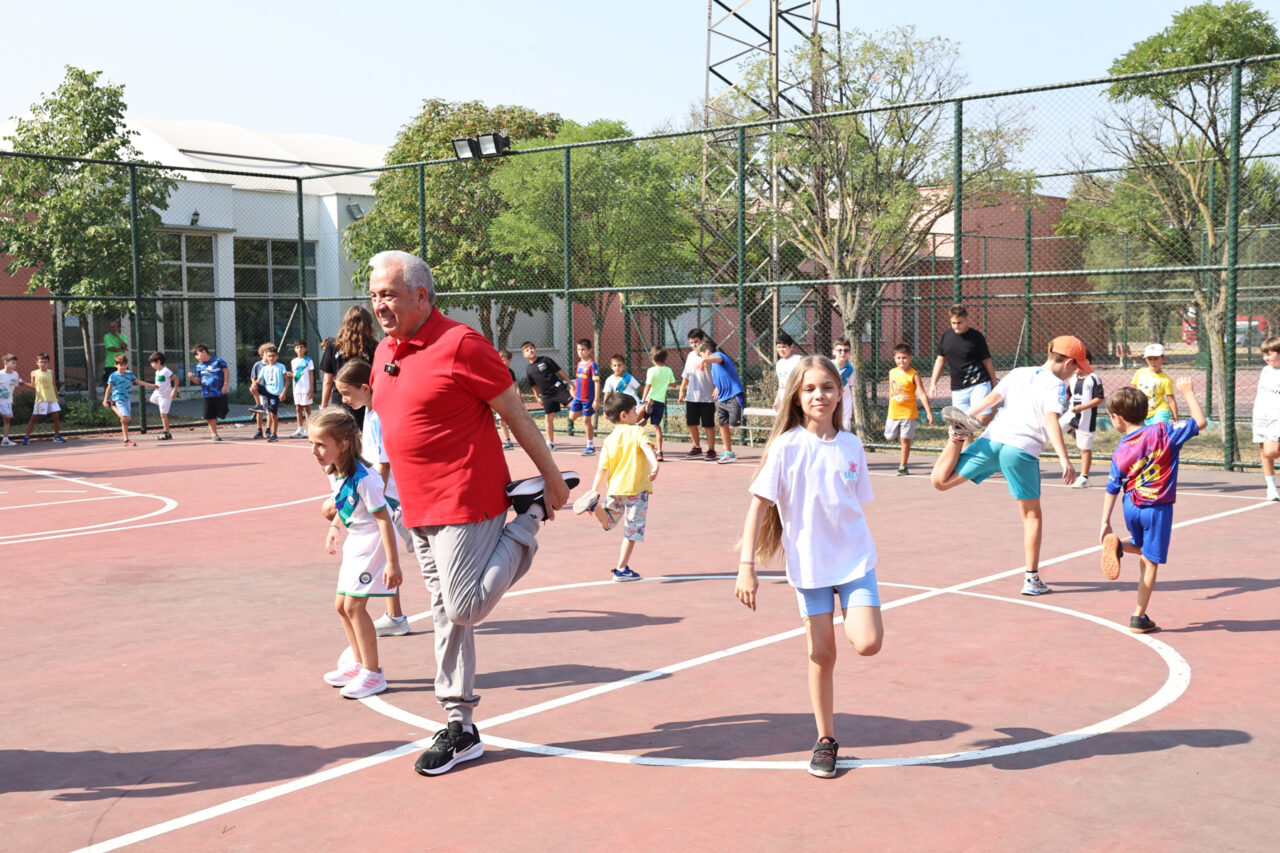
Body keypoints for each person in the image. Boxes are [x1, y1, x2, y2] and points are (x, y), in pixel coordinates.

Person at [366, 250, 575, 776]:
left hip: (466, 495)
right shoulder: (385, 350)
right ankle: (460, 726)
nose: (379, 305)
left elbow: (516, 413)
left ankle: (527, 516)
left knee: (463, 607)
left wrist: (550, 478)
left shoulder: (462, 344)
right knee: (444, 612)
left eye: (388, 294)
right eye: (373, 296)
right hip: (415, 504)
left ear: (421, 295)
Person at [735, 355, 883, 779]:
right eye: (811, 389)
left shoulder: (852, 445)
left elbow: (852, 504)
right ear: (797, 398)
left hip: (855, 561)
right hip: (811, 568)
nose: (820, 395)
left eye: (828, 387)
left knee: (867, 643)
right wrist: (747, 566)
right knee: (822, 654)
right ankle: (826, 739)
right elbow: (758, 507)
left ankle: (852, 613)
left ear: (841, 393)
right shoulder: (786, 447)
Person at [933, 337, 1085, 596]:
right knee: (1032, 516)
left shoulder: (1019, 372)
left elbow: (991, 399)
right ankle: (1032, 579)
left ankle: (957, 436)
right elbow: (1050, 420)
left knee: (941, 482)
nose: (1074, 373)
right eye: (1076, 368)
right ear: (1069, 362)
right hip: (1020, 450)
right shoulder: (1057, 385)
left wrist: (967, 416)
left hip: (992, 440)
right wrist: (1064, 458)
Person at [310, 407, 403, 699]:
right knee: (341, 605)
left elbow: (384, 519)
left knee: (354, 607)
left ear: (344, 444)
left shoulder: (365, 478)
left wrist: (392, 563)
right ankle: (358, 663)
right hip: (357, 540)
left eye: (321, 444)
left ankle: (373, 674)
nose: (314, 450)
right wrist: (335, 526)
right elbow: (344, 503)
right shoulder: (336, 471)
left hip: (373, 543)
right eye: (312, 443)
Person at [1099, 380, 1207, 633]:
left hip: (1131, 505)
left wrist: (1105, 521)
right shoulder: (1164, 431)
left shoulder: (1120, 450)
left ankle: (1119, 546)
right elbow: (1200, 422)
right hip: (1157, 507)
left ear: (1118, 418)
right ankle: (1139, 617)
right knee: (1150, 562)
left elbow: (1112, 487)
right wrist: (1188, 393)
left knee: (1140, 546)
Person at [335, 358, 415, 638]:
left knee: (387, 553)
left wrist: (374, 497)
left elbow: (384, 463)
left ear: (365, 388)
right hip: (384, 496)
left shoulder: (379, 416)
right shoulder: (370, 412)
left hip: (388, 497)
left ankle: (396, 615)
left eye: (347, 393)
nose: (344, 400)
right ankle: (395, 616)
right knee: (384, 555)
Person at [573, 392, 658, 582]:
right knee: (632, 531)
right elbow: (647, 449)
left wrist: (594, 493)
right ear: (624, 415)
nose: (637, 414)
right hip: (637, 488)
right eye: (634, 411)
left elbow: (602, 469)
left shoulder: (609, 440)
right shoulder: (637, 431)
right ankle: (621, 569)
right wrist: (655, 465)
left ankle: (595, 506)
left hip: (616, 488)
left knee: (608, 522)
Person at [928, 305, 998, 446]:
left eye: (959, 322)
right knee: (962, 430)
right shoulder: (946, 336)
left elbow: (987, 361)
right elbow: (940, 359)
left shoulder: (976, 337)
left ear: (966, 320)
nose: (956, 326)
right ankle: (968, 454)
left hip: (979, 382)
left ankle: (972, 429)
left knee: (983, 417)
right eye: (953, 323)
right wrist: (933, 383)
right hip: (958, 387)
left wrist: (994, 383)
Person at [320, 306, 379, 428]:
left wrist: (324, 406)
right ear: (368, 324)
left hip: (341, 398)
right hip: (363, 397)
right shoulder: (373, 345)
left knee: (341, 434)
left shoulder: (333, 344)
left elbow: (327, 380)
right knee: (364, 434)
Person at [885, 342, 935, 476]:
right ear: (894, 358)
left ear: (910, 358)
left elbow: (922, 394)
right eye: (898, 358)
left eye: (904, 358)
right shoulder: (892, 372)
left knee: (905, 440)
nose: (901, 361)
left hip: (908, 414)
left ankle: (903, 466)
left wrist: (929, 413)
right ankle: (897, 435)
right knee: (889, 436)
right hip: (893, 413)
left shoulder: (914, 375)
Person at [698, 340, 746, 464]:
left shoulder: (719, 355)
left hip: (734, 395)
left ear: (707, 352)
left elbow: (718, 359)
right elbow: (721, 377)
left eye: (702, 355)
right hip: (722, 399)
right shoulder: (713, 367)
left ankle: (741, 414)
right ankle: (729, 453)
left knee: (735, 423)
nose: (702, 358)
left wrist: (705, 360)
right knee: (723, 424)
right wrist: (717, 388)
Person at [1060, 357, 1104, 489]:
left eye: (1076, 362)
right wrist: (1061, 400)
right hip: (1071, 414)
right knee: (1053, 430)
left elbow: (1099, 398)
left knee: (1084, 449)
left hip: (1086, 418)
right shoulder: (1073, 378)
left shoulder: (1093, 378)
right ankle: (1071, 429)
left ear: (1087, 362)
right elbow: (1068, 394)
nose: (1073, 366)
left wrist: (1083, 407)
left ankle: (1084, 478)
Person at [522, 341, 572, 451]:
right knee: (548, 417)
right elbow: (533, 385)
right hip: (546, 395)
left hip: (558, 389)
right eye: (527, 350)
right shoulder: (529, 369)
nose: (530, 350)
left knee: (574, 406)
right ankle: (551, 443)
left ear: (535, 349)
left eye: (531, 348)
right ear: (524, 355)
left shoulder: (545, 360)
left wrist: (570, 383)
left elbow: (559, 371)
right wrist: (537, 397)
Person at [678, 327, 718, 459]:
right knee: (691, 423)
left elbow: (718, 373)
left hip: (707, 397)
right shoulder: (690, 356)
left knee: (708, 424)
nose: (694, 345)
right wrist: (681, 390)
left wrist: (717, 387)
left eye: (696, 342)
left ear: (702, 340)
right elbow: (686, 375)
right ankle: (696, 447)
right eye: (691, 343)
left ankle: (711, 450)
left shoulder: (710, 355)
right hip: (692, 397)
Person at [102, 354, 155, 446]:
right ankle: (112, 405)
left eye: (124, 365)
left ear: (126, 365)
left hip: (127, 399)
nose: (122, 367)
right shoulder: (113, 375)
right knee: (126, 418)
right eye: (120, 365)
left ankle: (126, 440)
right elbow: (109, 388)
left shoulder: (129, 374)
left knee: (124, 421)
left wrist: (151, 385)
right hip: (118, 399)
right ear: (116, 365)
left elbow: (138, 381)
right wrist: (105, 400)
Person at [1253, 335, 1280, 502]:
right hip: (1261, 415)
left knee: (1272, 451)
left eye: (1270, 354)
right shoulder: (1265, 371)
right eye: (1264, 354)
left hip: (1277, 417)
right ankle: (1271, 488)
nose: (1266, 357)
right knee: (1264, 451)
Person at [640, 347, 676, 462]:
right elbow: (674, 384)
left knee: (640, 423)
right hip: (660, 402)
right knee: (657, 427)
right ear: (665, 358)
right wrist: (668, 383)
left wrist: (643, 400)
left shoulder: (651, 370)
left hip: (650, 401)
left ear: (652, 358)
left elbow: (647, 386)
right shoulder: (668, 370)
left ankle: (638, 446)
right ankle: (659, 452)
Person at [21, 353, 66, 445]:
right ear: (37, 362)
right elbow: (33, 386)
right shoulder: (34, 373)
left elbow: (54, 385)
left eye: (45, 362)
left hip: (52, 398)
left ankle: (57, 436)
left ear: (48, 363)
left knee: (56, 417)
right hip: (41, 399)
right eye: (41, 362)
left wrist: (57, 398)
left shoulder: (51, 373)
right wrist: (24, 383)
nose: (43, 364)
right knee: (34, 418)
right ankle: (26, 437)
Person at [188, 343, 229, 441]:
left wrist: (225, 385)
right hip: (207, 394)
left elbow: (226, 372)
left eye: (197, 354)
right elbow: (198, 381)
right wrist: (192, 378)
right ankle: (214, 434)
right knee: (210, 415)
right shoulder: (199, 366)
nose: (197, 357)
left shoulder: (218, 361)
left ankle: (219, 415)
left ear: (204, 352)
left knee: (222, 411)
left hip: (219, 392)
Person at [568, 338, 602, 456]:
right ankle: (582, 411)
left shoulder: (592, 365)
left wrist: (596, 399)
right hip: (578, 398)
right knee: (572, 417)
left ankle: (590, 446)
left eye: (583, 349)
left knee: (586, 421)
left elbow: (597, 383)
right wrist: (574, 390)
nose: (580, 352)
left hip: (588, 399)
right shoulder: (579, 364)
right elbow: (579, 380)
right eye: (578, 349)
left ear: (589, 350)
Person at [1132, 343, 1179, 425]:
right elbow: (1133, 392)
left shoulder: (1166, 379)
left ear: (1163, 358)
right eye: (1149, 359)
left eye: (1156, 358)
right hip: (1142, 412)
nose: (1153, 362)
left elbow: (1171, 401)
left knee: (1157, 430)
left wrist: (1176, 420)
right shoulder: (1139, 373)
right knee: (1144, 432)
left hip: (1160, 410)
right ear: (1146, 359)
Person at [256, 345, 290, 443]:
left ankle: (274, 434)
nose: (271, 358)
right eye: (269, 356)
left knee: (273, 414)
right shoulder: (264, 368)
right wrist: (253, 386)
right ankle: (258, 405)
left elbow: (287, 381)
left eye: (273, 356)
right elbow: (258, 381)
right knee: (254, 386)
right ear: (266, 357)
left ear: (277, 356)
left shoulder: (281, 366)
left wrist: (283, 393)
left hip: (275, 394)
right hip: (266, 391)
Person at [147, 352, 178, 440]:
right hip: (158, 393)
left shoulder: (166, 371)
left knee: (163, 415)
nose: (151, 364)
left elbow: (176, 379)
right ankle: (165, 406)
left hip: (165, 396)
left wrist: (174, 391)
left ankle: (166, 433)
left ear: (158, 362)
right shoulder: (157, 372)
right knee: (151, 400)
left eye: (152, 362)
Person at [1, 354, 28, 446]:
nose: (15, 365)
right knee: (8, 416)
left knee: (7, 420)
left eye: (16, 363)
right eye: (13, 363)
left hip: (9, 400)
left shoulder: (15, 374)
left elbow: (15, 384)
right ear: (5, 362)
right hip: (0, 401)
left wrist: (20, 382)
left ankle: (5, 440)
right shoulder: (0, 374)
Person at [290, 340, 315, 438]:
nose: (299, 349)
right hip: (296, 389)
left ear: (305, 349)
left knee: (307, 409)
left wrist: (311, 389)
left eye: (301, 347)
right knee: (298, 409)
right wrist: (291, 375)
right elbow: (296, 374)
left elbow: (311, 376)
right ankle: (300, 429)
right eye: (297, 347)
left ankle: (308, 429)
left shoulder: (309, 361)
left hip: (306, 388)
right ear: (294, 349)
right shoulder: (293, 361)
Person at [772, 331, 803, 410]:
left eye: (784, 347)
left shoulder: (798, 360)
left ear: (791, 347)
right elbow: (781, 384)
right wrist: (777, 400)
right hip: (784, 399)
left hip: (796, 398)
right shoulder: (779, 364)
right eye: (779, 347)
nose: (781, 349)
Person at [496, 349, 518, 450]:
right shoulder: (495, 370)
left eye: (503, 360)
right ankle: (508, 441)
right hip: (499, 399)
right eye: (499, 359)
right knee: (501, 421)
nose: (501, 361)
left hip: (509, 399)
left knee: (512, 421)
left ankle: (523, 438)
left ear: (509, 361)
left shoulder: (510, 372)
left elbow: (515, 385)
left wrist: (517, 397)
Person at [832, 337, 856, 432]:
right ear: (834, 352)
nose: (843, 353)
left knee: (845, 424)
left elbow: (849, 384)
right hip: (831, 398)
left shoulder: (850, 369)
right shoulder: (828, 365)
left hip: (845, 399)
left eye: (846, 350)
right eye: (839, 350)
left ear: (849, 353)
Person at [248, 342, 269, 438]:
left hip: (270, 390)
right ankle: (259, 430)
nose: (268, 355)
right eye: (266, 353)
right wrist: (254, 384)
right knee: (259, 411)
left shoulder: (274, 365)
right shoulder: (257, 365)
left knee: (269, 412)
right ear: (262, 354)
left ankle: (268, 430)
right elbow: (253, 377)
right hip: (260, 390)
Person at [101, 320, 128, 388]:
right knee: (108, 383)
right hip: (110, 364)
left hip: (121, 364)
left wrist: (118, 337)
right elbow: (111, 348)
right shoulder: (107, 336)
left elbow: (125, 346)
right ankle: (107, 395)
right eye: (110, 327)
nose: (111, 328)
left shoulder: (122, 336)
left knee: (123, 382)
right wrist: (121, 350)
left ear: (117, 328)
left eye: (113, 327)